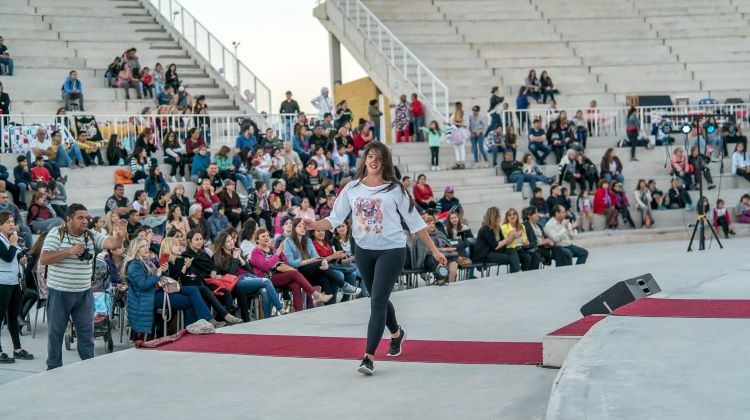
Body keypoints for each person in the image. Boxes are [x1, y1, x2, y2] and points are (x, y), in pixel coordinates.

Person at [303, 141, 447, 376]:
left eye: (378, 157)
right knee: (377, 298)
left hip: (392, 250)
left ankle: (368, 357)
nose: (373, 160)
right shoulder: (352, 188)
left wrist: (435, 250)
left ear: (385, 162)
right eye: (370, 156)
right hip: (364, 250)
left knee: (377, 301)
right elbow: (335, 218)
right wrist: (314, 225)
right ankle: (397, 334)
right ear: (365, 159)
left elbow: (416, 223)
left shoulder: (395, 189)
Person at [40, 204, 127, 369]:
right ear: (69, 219)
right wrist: (69, 251)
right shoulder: (56, 233)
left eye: (86, 217)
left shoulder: (91, 235)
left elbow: (113, 244)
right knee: (56, 334)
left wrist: (120, 237)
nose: (85, 221)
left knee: (87, 334)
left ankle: (88, 368)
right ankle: (53, 368)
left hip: (84, 292)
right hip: (60, 292)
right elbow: (44, 259)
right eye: (80, 218)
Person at [251, 228, 332, 312]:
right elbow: (265, 266)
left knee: (295, 284)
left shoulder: (272, 249)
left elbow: (285, 261)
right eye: (263, 236)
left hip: (280, 274)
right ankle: (316, 295)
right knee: (294, 273)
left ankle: (299, 313)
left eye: (267, 235)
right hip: (268, 278)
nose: (266, 238)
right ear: (257, 240)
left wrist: (281, 253)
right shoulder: (255, 252)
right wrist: (277, 254)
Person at [0, 211, 33, 363]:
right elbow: (6, 257)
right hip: (2, 283)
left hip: (14, 282)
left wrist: (23, 259)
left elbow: (16, 255)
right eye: (8, 222)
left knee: (13, 317)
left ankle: (17, 349)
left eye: (13, 221)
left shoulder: (11, 238)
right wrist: (13, 243)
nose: (12, 224)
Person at [473, 206, 522, 273]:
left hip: (495, 251)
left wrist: (512, 236)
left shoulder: (497, 227)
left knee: (512, 250)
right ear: (494, 217)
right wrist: (508, 239)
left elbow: (502, 242)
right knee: (511, 258)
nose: (500, 217)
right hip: (485, 254)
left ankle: (517, 273)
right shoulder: (485, 229)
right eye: (499, 215)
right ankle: (517, 274)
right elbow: (495, 245)